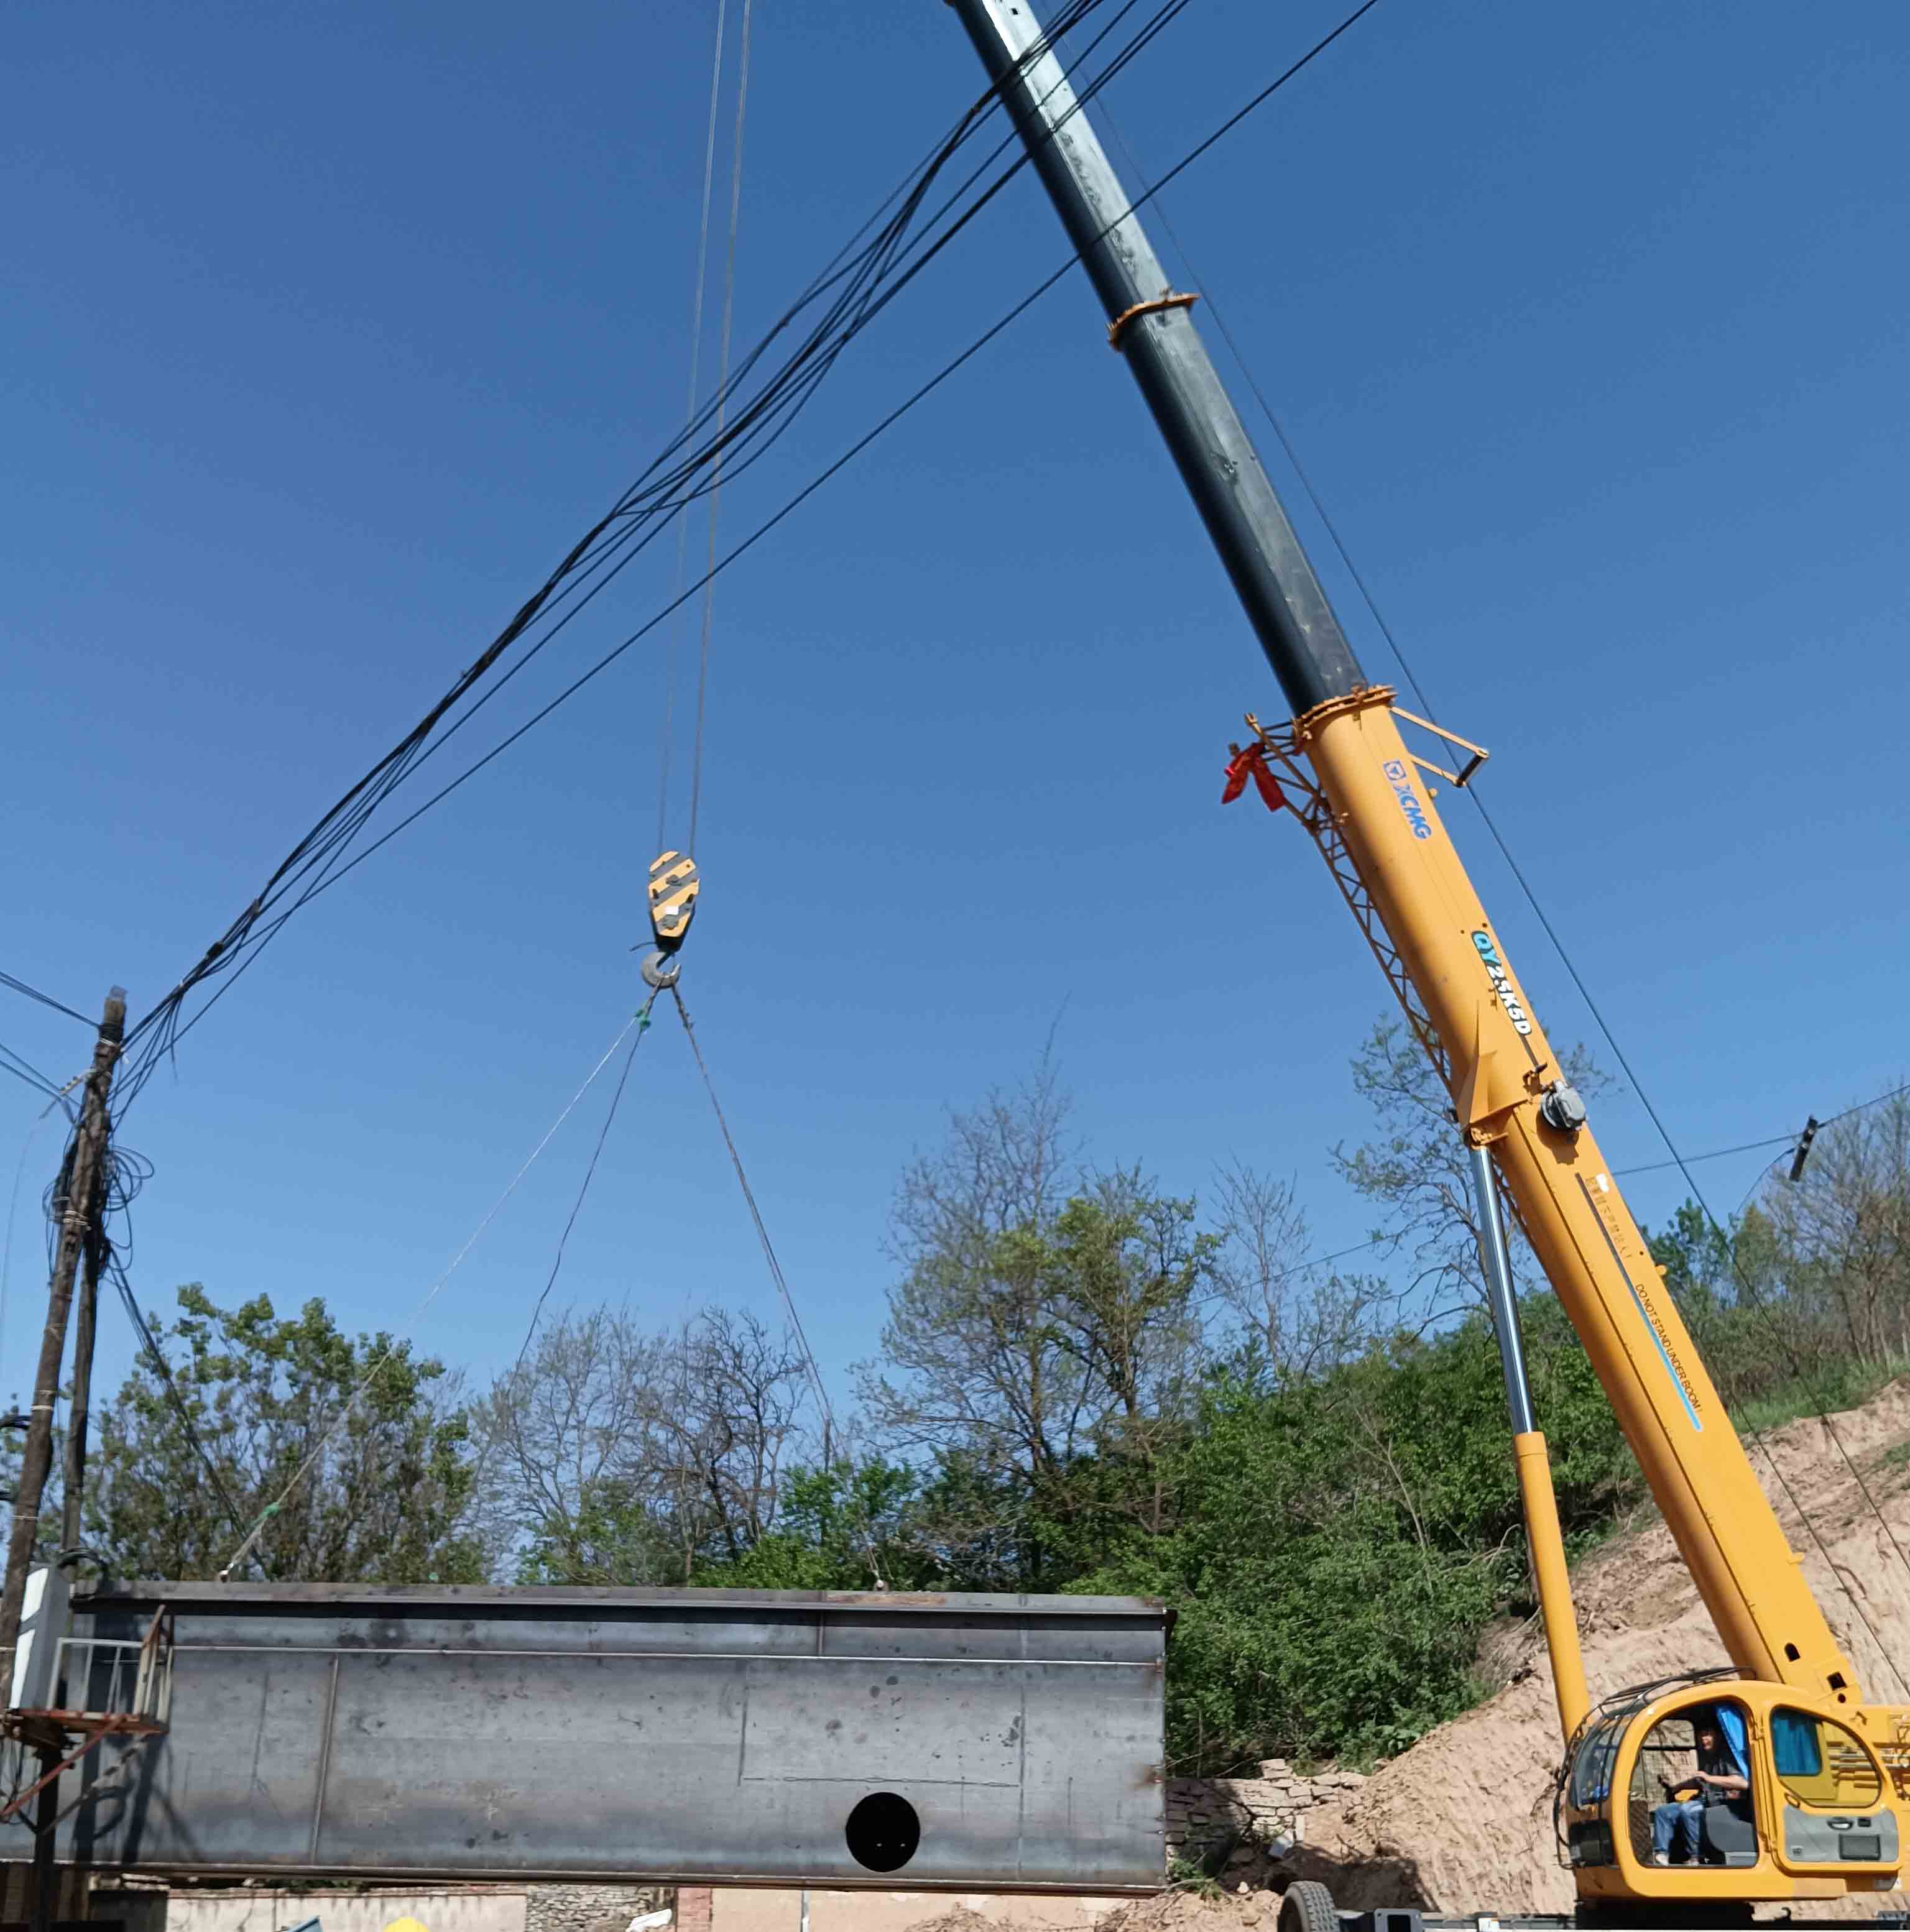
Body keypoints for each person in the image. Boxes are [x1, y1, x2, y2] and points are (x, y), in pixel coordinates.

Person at [1652, 1708, 1751, 1865]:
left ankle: (1696, 1856)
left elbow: (1742, 1783)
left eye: (1708, 1734)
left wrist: (1710, 1778)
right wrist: (1677, 1788)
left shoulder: (1727, 1757)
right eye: (1701, 1735)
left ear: (1718, 1736)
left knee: (1688, 1810)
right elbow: (1700, 1781)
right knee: (1664, 1812)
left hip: (1724, 1804)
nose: (1704, 1739)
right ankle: (1662, 1854)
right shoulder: (1706, 1757)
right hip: (1705, 1801)